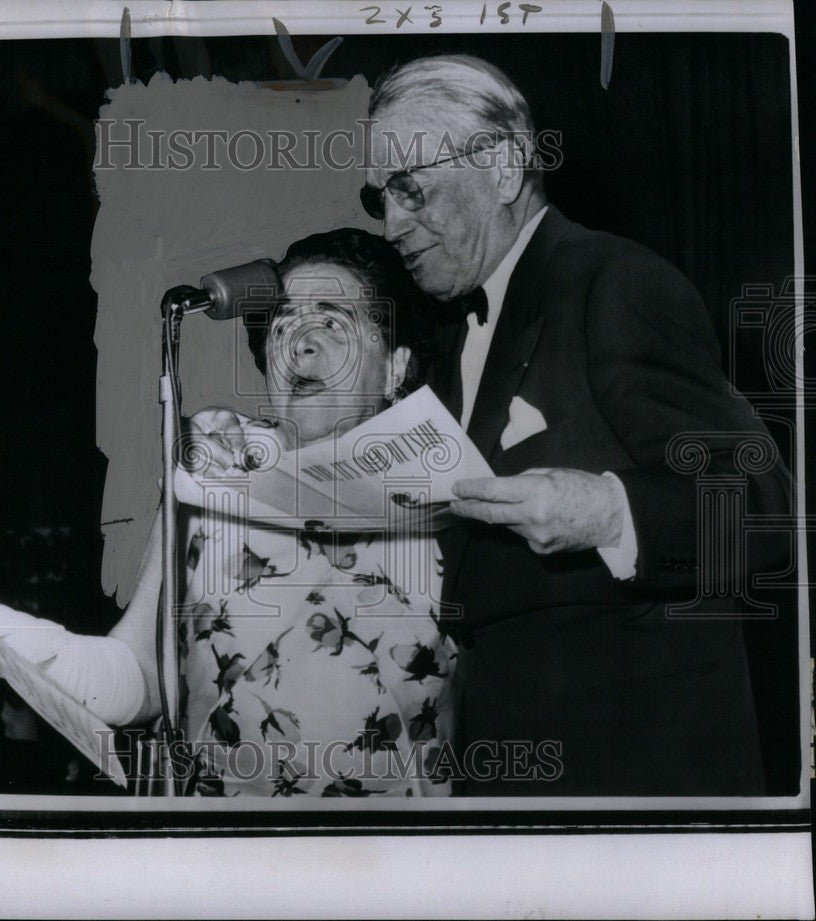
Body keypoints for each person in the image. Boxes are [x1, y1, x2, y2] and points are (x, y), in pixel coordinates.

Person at [195, 55, 793, 795]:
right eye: (378, 196)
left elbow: (764, 510)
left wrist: (608, 511)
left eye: (409, 188)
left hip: (632, 779)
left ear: (504, 165)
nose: (390, 223)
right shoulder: (456, 337)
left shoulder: (613, 283)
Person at [0, 229, 457, 797]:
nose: (300, 345)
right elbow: (142, 678)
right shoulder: (216, 483)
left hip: (385, 859)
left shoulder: (452, 497)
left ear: (394, 367)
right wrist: (39, 651)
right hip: (221, 851)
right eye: (283, 325)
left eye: (333, 322)